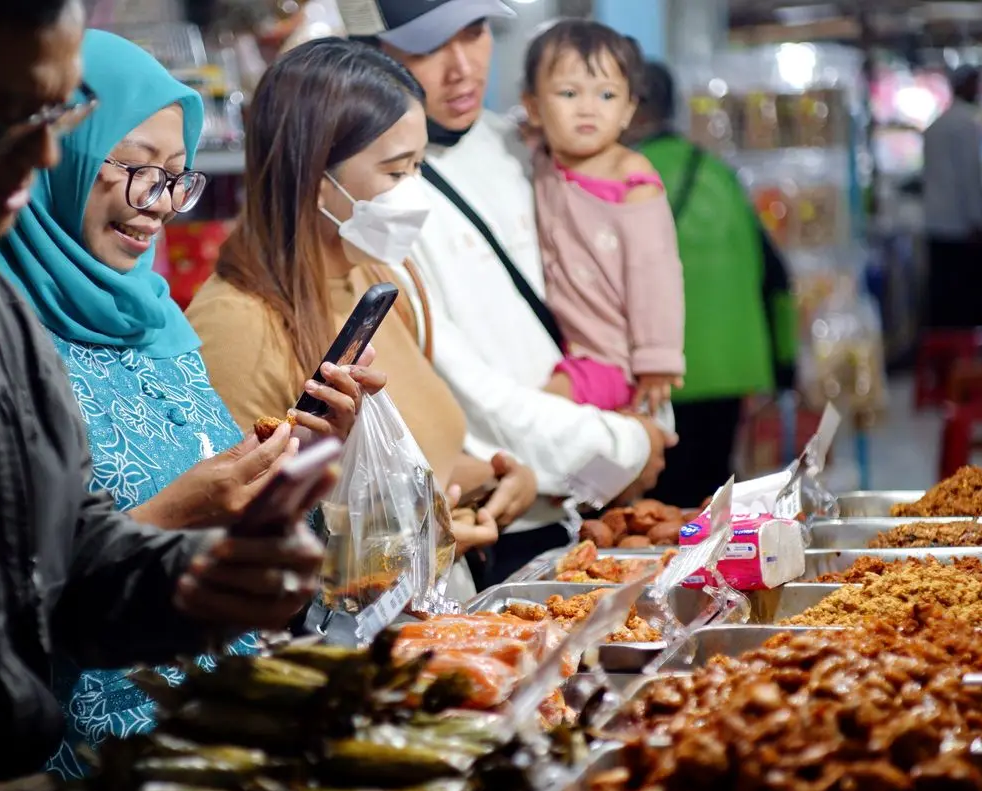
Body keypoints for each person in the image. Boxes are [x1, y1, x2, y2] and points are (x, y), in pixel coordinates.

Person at [0, 2, 327, 791]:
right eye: (9, 114)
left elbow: (61, 553)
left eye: (57, 114)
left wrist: (197, 579)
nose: (46, 152)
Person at [0, 29, 374, 780]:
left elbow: (239, 529)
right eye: (135, 170)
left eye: (176, 178)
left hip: (224, 734)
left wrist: (311, 453)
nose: (160, 205)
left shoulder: (157, 319)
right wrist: (179, 516)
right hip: (95, 760)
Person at [187, 38, 541, 598]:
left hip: (439, 617)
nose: (414, 193)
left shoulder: (378, 277)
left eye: (420, 165)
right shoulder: (237, 325)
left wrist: (491, 479)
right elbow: (249, 541)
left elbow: (410, 455)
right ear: (313, 175)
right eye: (395, 170)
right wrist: (429, 536)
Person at [339, 0, 672, 584]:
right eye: (427, 46)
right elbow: (468, 393)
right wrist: (624, 447)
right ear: (374, 54)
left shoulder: (525, 146)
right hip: (501, 519)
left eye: (475, 33)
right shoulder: (381, 201)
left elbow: (616, 287)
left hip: (595, 491)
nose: (462, 67)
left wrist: (647, 418)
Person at [627, 61, 798, 507]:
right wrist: (784, 364)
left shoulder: (622, 175)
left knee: (658, 510)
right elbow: (776, 275)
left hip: (656, 374)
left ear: (632, 108)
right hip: (731, 367)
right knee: (711, 501)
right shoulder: (717, 172)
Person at [522, 20, 685, 418]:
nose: (588, 108)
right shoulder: (543, 158)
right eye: (568, 93)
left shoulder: (632, 181)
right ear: (533, 107)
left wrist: (657, 358)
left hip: (614, 360)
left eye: (607, 95)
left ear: (629, 108)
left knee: (536, 413)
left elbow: (656, 276)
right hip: (564, 344)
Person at [923, 65, 982, 328]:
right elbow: (969, 178)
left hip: (937, 224)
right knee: (964, 303)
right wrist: (977, 221)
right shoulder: (965, 125)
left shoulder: (938, 125)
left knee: (943, 299)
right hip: (960, 228)